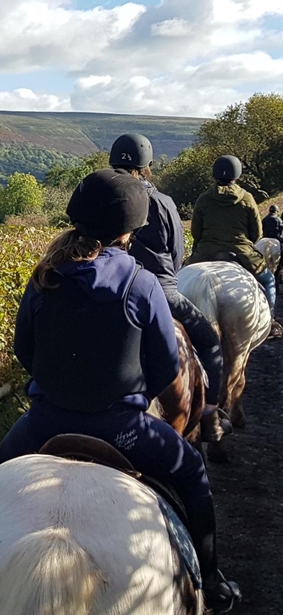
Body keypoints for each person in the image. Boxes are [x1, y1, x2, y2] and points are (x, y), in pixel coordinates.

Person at [0, 169, 239, 611]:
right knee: (191, 476)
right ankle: (210, 578)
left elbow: (23, 350)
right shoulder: (141, 283)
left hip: (45, 421)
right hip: (124, 429)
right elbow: (166, 368)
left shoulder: (43, 276)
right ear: (129, 229)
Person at [108, 134, 229, 441]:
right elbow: (176, 256)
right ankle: (209, 416)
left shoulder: (103, 195)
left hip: (109, 288)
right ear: (146, 166)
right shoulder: (162, 202)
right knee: (211, 344)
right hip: (161, 292)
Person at [186, 155, 281, 337]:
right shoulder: (247, 198)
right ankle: (270, 321)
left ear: (215, 175)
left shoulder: (204, 199)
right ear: (237, 175)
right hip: (242, 253)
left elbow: (196, 232)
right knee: (268, 280)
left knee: (179, 278)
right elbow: (257, 233)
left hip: (206, 253)